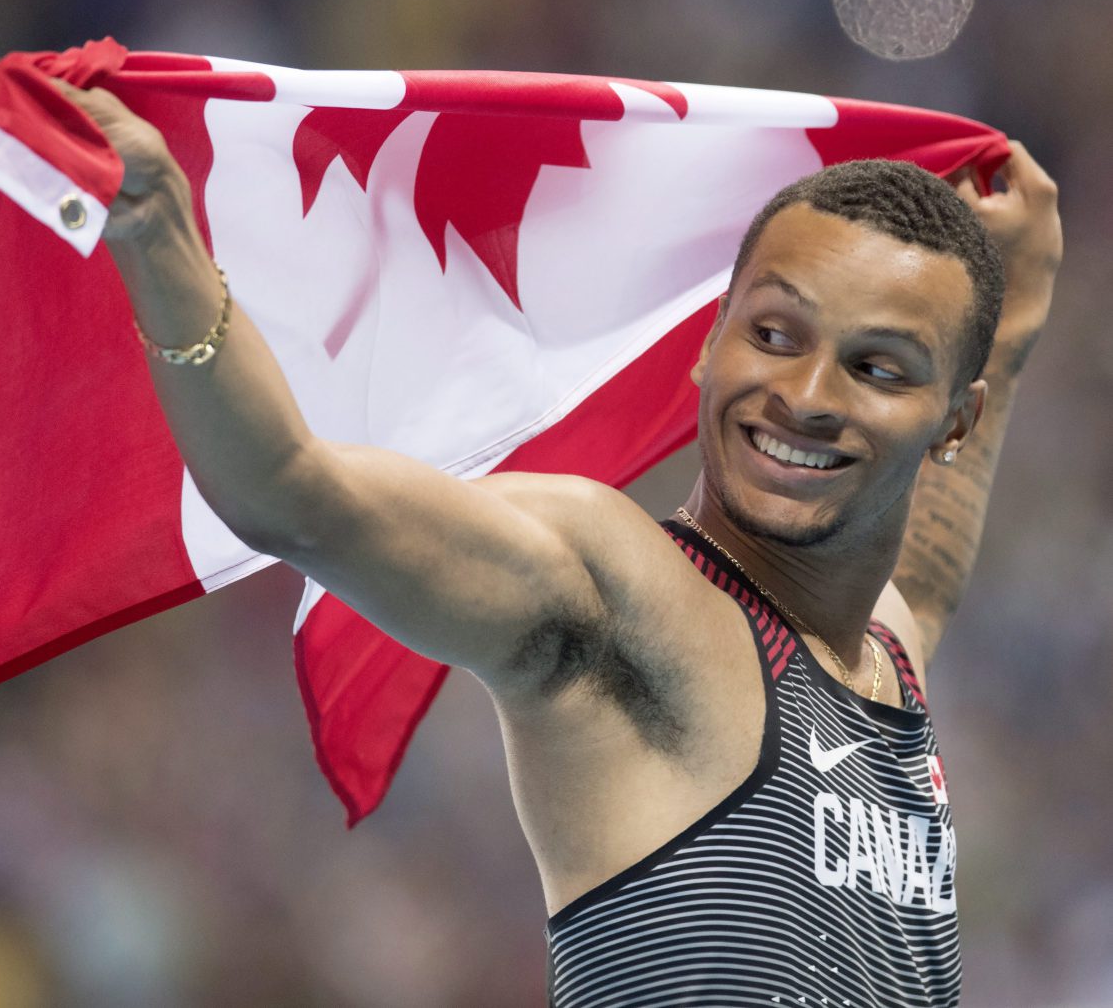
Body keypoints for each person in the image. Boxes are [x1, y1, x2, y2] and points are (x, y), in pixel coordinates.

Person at [55, 79, 1061, 1007]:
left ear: (952, 422)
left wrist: (1008, 324)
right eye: (772, 335)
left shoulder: (882, 655)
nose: (802, 397)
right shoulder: (622, 590)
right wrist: (158, 235)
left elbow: (919, 579)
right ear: (708, 344)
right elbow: (292, 492)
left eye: (877, 369)